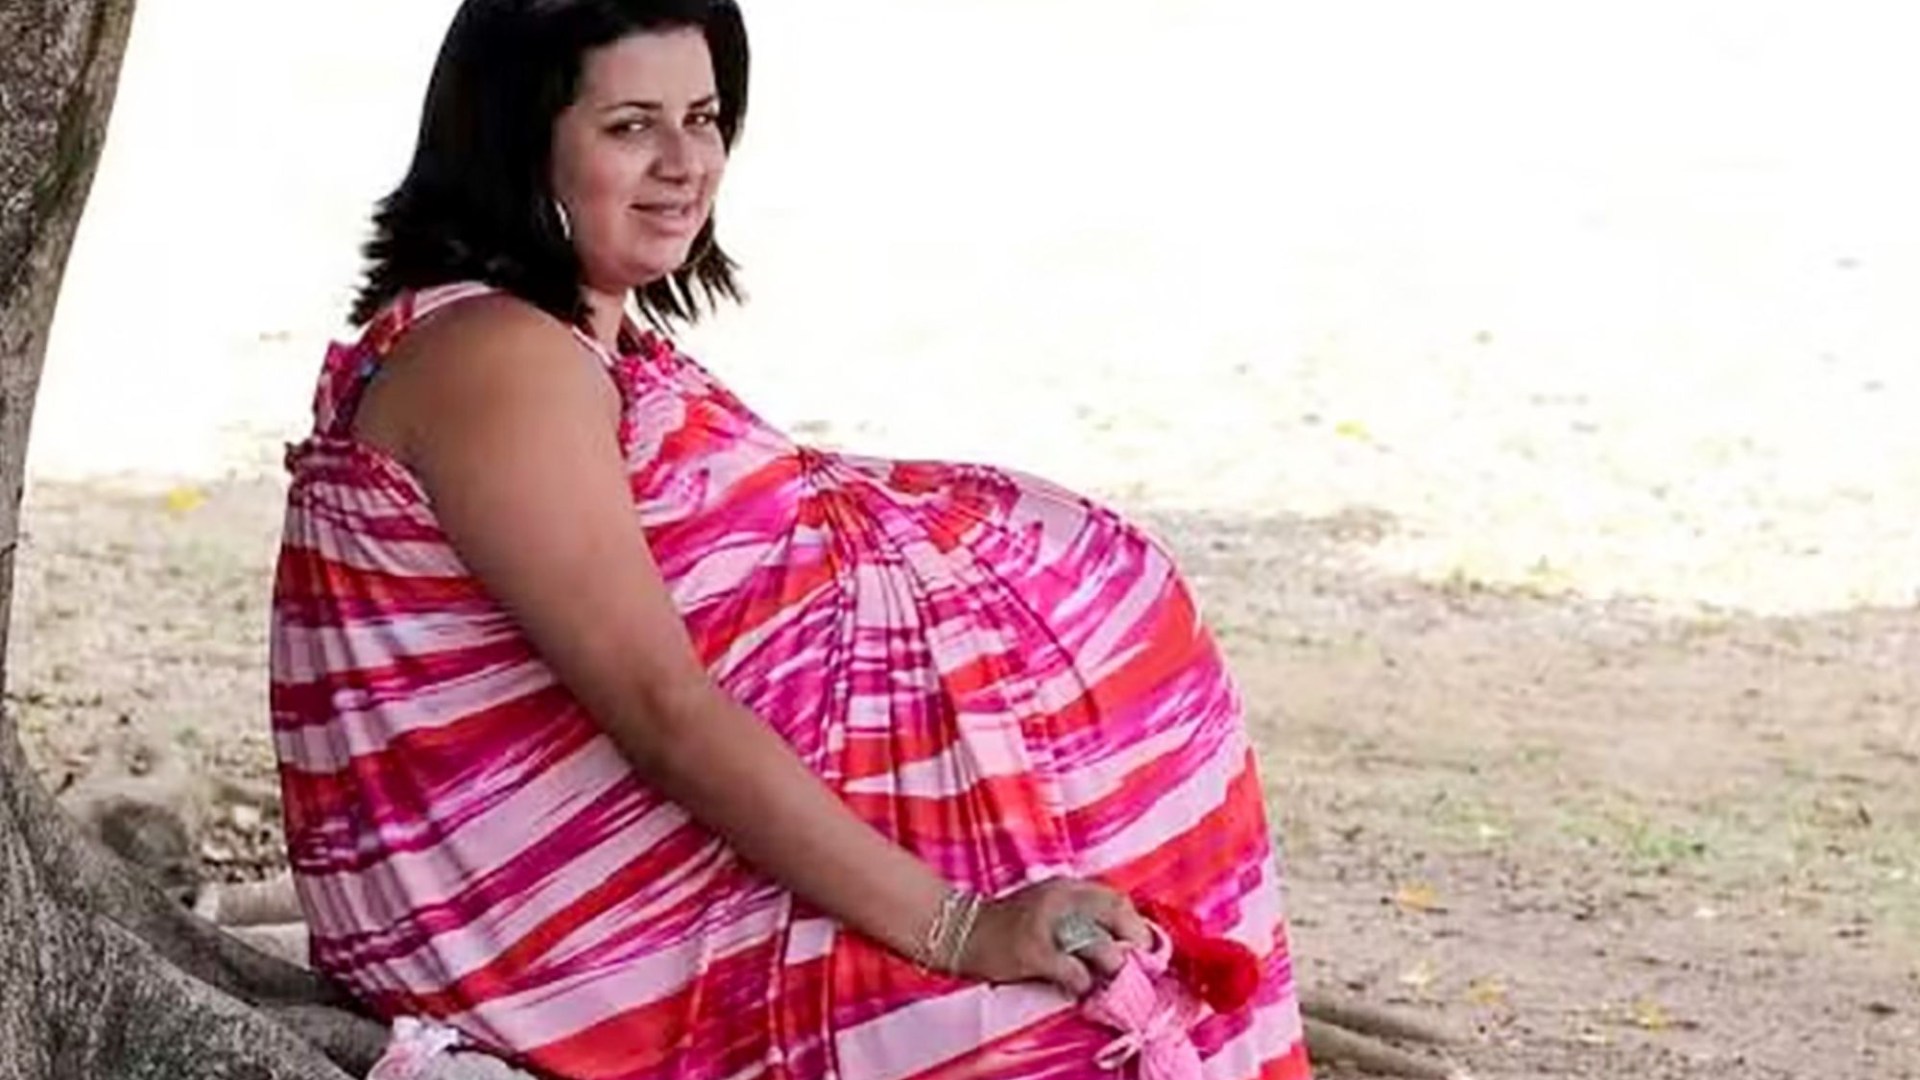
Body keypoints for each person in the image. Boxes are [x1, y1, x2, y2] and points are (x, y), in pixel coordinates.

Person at [270, 1, 1312, 1077]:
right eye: (630, 126)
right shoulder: (500, 362)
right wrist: (962, 925)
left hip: (647, 884)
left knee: (1114, 973)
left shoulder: (569, 337)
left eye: (703, 117)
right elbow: (662, 709)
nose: (685, 163)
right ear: (515, 138)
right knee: (1068, 1046)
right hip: (562, 940)